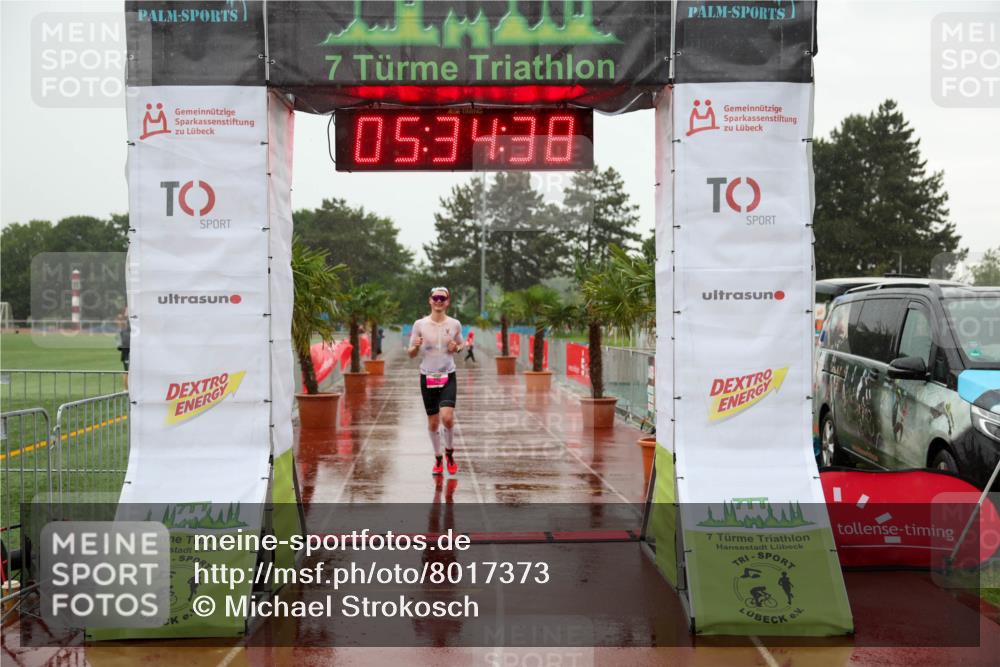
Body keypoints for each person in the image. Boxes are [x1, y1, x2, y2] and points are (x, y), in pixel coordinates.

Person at [408, 287, 463, 476]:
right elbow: (410, 354)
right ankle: (438, 458)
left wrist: (456, 348)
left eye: (443, 298)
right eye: (435, 297)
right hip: (427, 376)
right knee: (432, 423)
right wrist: (415, 347)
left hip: (448, 375)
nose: (439, 301)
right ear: (430, 300)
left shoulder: (455, 324)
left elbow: (461, 345)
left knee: (447, 417)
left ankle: (449, 452)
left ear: (448, 302)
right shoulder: (420, 324)